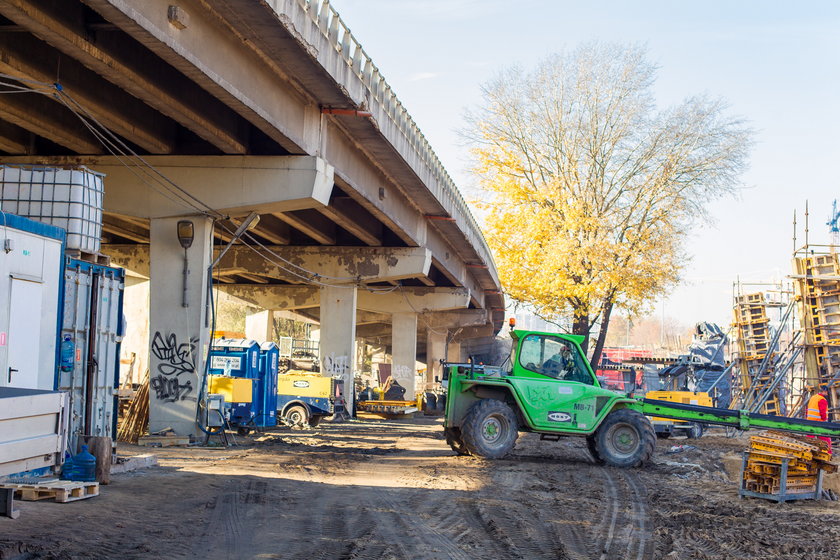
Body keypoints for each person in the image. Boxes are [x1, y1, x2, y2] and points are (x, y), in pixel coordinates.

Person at [805, 391, 832, 455]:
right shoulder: (822, 399)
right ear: (824, 392)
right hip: (819, 422)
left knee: (809, 438)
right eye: (827, 393)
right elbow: (823, 412)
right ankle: (828, 454)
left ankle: (807, 451)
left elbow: (807, 409)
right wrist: (824, 420)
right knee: (825, 439)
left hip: (810, 421)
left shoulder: (813, 397)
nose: (827, 394)